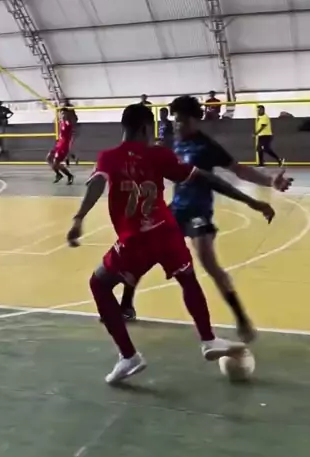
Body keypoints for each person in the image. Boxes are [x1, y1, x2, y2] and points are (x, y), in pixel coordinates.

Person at [66, 102, 275, 385]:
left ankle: (129, 356)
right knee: (188, 280)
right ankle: (208, 339)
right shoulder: (159, 155)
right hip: (167, 233)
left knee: (99, 284)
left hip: (135, 241)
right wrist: (251, 201)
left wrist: (79, 218)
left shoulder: (109, 157)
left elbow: (96, 184)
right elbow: (206, 178)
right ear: (144, 128)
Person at [119, 95, 293, 341]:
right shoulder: (173, 144)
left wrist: (269, 181)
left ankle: (241, 317)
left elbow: (239, 170)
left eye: (181, 120)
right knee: (143, 251)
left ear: (193, 120)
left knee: (209, 262)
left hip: (199, 212)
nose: (176, 124)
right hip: (176, 210)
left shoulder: (206, 146)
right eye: (175, 119)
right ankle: (126, 304)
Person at [47, 108, 74, 185]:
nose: (62, 115)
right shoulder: (61, 122)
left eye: (64, 113)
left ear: (67, 115)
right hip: (58, 144)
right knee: (49, 158)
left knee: (56, 163)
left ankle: (69, 176)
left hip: (63, 146)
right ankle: (58, 174)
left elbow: (71, 137)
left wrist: (69, 149)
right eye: (61, 113)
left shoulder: (68, 124)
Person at [63, 99, 79, 166]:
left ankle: (69, 160)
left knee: (68, 147)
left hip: (70, 132)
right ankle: (72, 158)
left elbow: (75, 120)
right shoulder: (66, 118)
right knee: (66, 147)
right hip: (67, 133)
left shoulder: (69, 117)